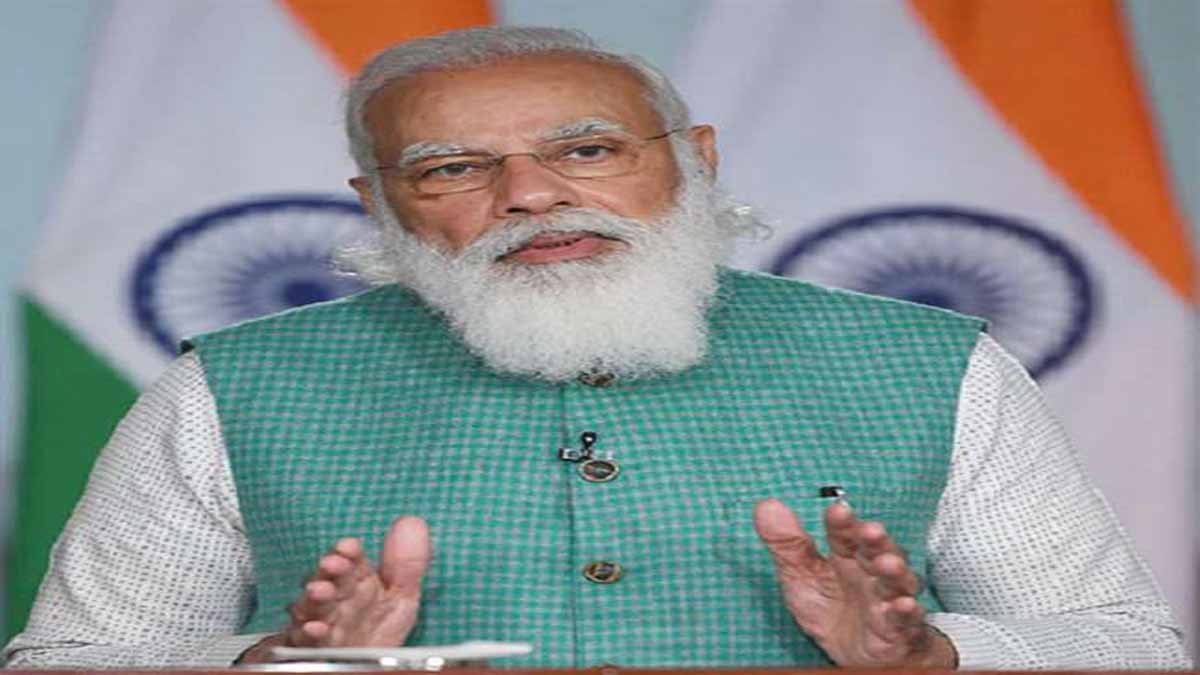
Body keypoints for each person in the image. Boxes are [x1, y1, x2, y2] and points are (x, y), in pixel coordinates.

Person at [2, 26, 1188, 670]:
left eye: (586, 151)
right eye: (452, 168)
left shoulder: (930, 363)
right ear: (379, 203)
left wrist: (930, 659)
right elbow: (65, 664)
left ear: (694, 158)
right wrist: (267, 668)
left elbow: (1128, 649)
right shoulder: (232, 385)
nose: (530, 195)